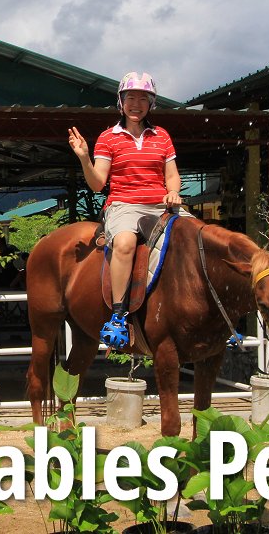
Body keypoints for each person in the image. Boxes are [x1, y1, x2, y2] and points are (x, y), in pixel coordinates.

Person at [68, 71, 182, 349]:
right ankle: (119, 315)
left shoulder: (162, 136)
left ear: (151, 104)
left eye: (143, 99)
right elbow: (97, 184)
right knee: (125, 243)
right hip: (124, 205)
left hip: (160, 205)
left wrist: (174, 191)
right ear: (120, 102)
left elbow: (172, 175)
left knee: (198, 237)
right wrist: (84, 158)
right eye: (130, 97)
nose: (136, 104)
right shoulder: (108, 138)